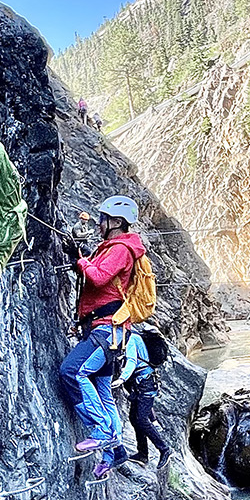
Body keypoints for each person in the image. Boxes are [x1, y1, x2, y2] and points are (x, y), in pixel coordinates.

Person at [60, 196, 145, 476]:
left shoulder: (121, 248)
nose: (98, 224)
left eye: (102, 219)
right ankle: (116, 452)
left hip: (107, 329)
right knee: (103, 390)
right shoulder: (112, 247)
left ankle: (100, 430)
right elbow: (96, 279)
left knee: (73, 372)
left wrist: (81, 260)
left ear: (116, 222)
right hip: (105, 330)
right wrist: (80, 259)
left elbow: (98, 277)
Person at [114, 326, 169, 467]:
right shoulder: (136, 338)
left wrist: (122, 379)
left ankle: (164, 450)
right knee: (134, 418)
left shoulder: (132, 339)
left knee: (141, 419)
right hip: (144, 383)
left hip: (145, 384)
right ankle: (142, 454)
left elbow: (132, 361)